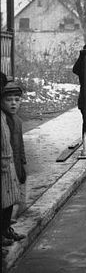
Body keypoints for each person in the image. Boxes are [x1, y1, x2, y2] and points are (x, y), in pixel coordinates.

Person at [1, 82, 25, 246]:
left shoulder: (17, 120)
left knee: (10, 202)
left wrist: (22, 164)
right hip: (4, 167)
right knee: (3, 202)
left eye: (17, 99)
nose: (13, 103)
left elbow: (20, 145)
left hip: (14, 165)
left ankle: (6, 229)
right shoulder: (3, 120)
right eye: (9, 100)